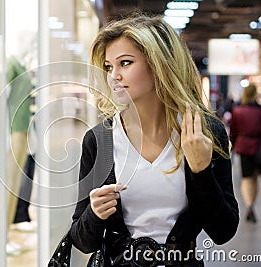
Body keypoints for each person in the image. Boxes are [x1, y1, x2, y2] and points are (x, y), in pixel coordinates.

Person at [69, 13, 239, 266]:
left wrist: (201, 171)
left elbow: (223, 231)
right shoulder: (99, 140)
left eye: (125, 63)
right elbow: (82, 241)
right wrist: (94, 214)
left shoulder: (203, 132)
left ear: (159, 65)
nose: (113, 75)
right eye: (108, 67)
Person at [5, 55, 34, 256]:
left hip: (23, 131)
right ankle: (0, 237)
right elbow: (0, 98)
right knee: (8, 184)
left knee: (15, 185)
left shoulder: (21, 64)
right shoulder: (10, 63)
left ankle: (6, 233)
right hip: (13, 131)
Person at [229, 83, 261, 224]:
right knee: (255, 177)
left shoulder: (238, 110)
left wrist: (231, 146)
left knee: (246, 178)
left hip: (244, 146)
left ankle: (249, 205)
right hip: (259, 148)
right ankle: (251, 204)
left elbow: (233, 131)